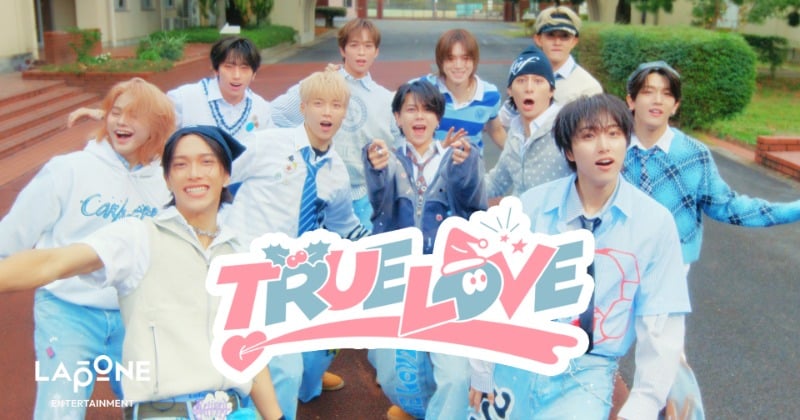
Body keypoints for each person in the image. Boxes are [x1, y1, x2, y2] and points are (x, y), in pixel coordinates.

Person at [0, 125, 284, 420]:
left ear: (226, 175)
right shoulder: (139, 239)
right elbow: (54, 262)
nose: (194, 173)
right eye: (180, 165)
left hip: (232, 410)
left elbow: (249, 351)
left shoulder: (239, 252)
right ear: (167, 179)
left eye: (207, 162)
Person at [469, 94, 691, 419]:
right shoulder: (531, 207)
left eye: (614, 134)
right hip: (519, 356)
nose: (604, 146)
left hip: (588, 370)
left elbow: (661, 321)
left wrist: (642, 405)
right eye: (589, 135)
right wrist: (482, 368)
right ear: (570, 151)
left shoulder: (654, 224)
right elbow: (494, 292)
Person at [622, 60, 800, 419]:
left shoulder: (693, 155)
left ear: (676, 105)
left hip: (669, 269)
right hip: (616, 264)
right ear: (630, 100)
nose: (657, 100)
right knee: (595, 349)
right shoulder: (613, 147)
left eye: (666, 94)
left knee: (664, 357)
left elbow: (727, 206)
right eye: (648, 92)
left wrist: (793, 210)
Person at [0, 78, 175, 419]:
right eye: (116, 112)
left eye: (135, 115)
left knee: (156, 410)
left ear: (157, 126)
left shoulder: (167, 180)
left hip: (135, 317)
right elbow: (11, 237)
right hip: (68, 313)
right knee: (59, 411)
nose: (121, 122)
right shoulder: (67, 169)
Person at [228, 69, 369, 418]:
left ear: (345, 112)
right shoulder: (265, 144)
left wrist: (382, 252)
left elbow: (345, 226)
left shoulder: (336, 172)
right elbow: (218, 175)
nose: (327, 112)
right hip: (243, 272)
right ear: (303, 107)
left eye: (336, 105)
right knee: (233, 371)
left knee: (287, 373)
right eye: (318, 104)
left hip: (288, 283)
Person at [364, 79, 486, 420]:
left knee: (455, 374)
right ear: (397, 117)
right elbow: (378, 199)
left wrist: (467, 171)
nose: (420, 117)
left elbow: (475, 208)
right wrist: (374, 167)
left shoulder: (456, 157)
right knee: (390, 371)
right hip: (398, 280)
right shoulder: (387, 160)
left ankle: (441, 412)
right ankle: (424, 409)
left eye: (428, 110)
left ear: (438, 118)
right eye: (411, 109)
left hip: (447, 281)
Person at [271, 18, 399, 232]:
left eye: (368, 46)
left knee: (363, 249)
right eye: (354, 45)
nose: (361, 53)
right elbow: (277, 114)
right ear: (342, 49)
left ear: (376, 52)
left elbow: (400, 146)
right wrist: (318, 83)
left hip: (365, 197)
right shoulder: (322, 84)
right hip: (321, 192)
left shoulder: (387, 99)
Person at [68, 36, 273, 144]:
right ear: (215, 69)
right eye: (229, 66)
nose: (236, 76)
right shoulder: (186, 97)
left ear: (254, 73)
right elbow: (149, 116)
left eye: (244, 68)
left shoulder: (261, 108)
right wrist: (102, 113)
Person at [485, 46, 571, 202]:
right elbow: (496, 183)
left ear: (551, 90)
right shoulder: (515, 132)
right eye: (521, 81)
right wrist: (460, 174)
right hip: (519, 215)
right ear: (510, 90)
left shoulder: (567, 127)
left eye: (538, 81)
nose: (529, 88)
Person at [498, 5, 603, 127]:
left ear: (574, 41)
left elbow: (592, 131)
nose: (557, 42)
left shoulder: (588, 87)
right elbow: (501, 121)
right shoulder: (523, 74)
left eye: (564, 36)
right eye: (550, 35)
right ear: (538, 39)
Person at [415, 28, 506, 150]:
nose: (458, 65)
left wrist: (519, 157)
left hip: (472, 162)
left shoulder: (489, 95)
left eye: (465, 58)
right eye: (450, 58)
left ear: (474, 60)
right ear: (440, 61)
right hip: (432, 161)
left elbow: (496, 130)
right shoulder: (421, 89)